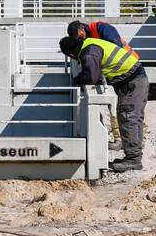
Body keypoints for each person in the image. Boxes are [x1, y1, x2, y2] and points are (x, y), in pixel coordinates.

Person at [59, 34, 149, 173]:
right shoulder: (89, 43)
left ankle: (134, 159)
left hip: (133, 82)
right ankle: (131, 156)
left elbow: (91, 77)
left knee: (129, 117)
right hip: (131, 81)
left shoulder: (88, 53)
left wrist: (77, 80)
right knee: (126, 117)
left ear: (71, 54)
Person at [66, 19, 139, 59]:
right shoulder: (86, 37)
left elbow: (116, 47)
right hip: (122, 63)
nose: (80, 38)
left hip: (130, 59)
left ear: (82, 28)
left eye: (79, 35)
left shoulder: (101, 27)